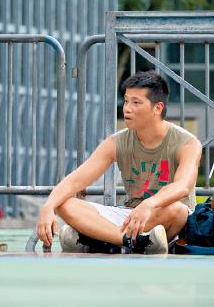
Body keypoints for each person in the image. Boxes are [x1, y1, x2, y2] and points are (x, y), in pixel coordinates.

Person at [36, 71, 199, 254]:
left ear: (157, 108)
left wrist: (149, 204)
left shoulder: (187, 143)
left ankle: (98, 239)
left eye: (136, 103)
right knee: (65, 204)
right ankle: (130, 241)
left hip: (163, 214)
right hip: (129, 215)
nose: (127, 108)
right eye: (126, 101)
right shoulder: (116, 142)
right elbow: (75, 180)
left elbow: (183, 186)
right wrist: (48, 206)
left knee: (177, 210)